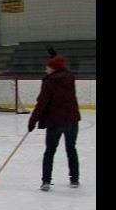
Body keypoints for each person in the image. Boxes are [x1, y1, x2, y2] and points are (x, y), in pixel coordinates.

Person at [28, 54, 81, 191]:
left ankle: (46, 181)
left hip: (55, 121)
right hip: (72, 120)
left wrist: (33, 121)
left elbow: (42, 104)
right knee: (71, 149)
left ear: (53, 68)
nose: (46, 68)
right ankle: (74, 179)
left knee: (50, 151)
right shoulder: (70, 77)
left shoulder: (49, 82)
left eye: (48, 66)